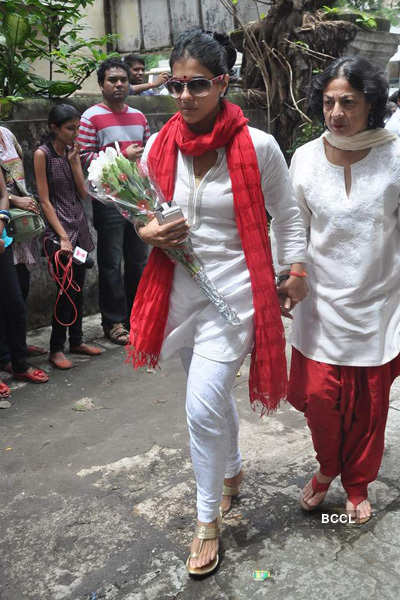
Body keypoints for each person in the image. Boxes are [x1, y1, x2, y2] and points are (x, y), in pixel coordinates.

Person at [127, 29, 307, 576]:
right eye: (176, 85)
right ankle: (231, 470)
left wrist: (293, 268)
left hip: (236, 293)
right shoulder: (159, 147)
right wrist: (147, 232)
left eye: (197, 85)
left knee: (202, 403)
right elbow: (139, 213)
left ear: (223, 83)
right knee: (205, 398)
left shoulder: (258, 146)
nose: (183, 96)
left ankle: (206, 522)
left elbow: (289, 214)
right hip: (177, 293)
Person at [287, 56, 400, 525]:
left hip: (378, 303)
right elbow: (295, 224)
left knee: (369, 410)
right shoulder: (307, 157)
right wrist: (293, 270)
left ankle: (356, 484)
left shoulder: (396, 153)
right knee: (320, 402)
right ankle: (326, 467)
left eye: (348, 102)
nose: (336, 112)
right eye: (329, 102)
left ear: (370, 103)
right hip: (320, 303)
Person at [78, 58, 150, 345]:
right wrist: (122, 156)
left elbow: (145, 156)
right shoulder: (90, 117)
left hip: (138, 200)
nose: (119, 84)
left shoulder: (139, 117)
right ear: (101, 85)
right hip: (109, 202)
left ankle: (138, 317)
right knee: (110, 262)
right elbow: (84, 158)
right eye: (112, 80)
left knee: (138, 262)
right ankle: (114, 322)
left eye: (122, 79)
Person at [34, 104, 102, 370]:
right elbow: (44, 200)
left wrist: (75, 163)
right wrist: (62, 237)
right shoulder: (43, 154)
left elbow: (83, 194)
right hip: (58, 230)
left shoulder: (70, 152)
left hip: (79, 225)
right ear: (54, 128)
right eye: (69, 128)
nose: (75, 133)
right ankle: (55, 348)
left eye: (76, 128)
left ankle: (76, 340)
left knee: (79, 287)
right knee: (65, 290)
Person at [0, 126, 46, 372]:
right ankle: (8, 355)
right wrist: (15, 201)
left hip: (16, 223)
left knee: (21, 286)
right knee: (10, 298)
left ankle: (17, 346)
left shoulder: (7, 135)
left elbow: (15, 180)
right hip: (9, 217)